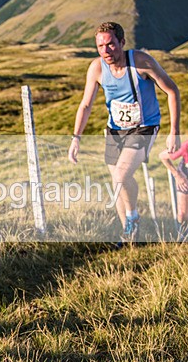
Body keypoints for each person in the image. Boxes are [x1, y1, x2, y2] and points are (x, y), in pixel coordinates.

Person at [68, 22, 181, 244]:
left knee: (121, 175)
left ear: (122, 42)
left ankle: (133, 217)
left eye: (111, 45)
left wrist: (174, 131)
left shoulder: (141, 62)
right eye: (100, 46)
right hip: (115, 130)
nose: (106, 51)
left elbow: (172, 90)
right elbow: (86, 105)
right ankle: (129, 235)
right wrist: (76, 138)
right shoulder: (97, 68)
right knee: (117, 181)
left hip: (144, 126)